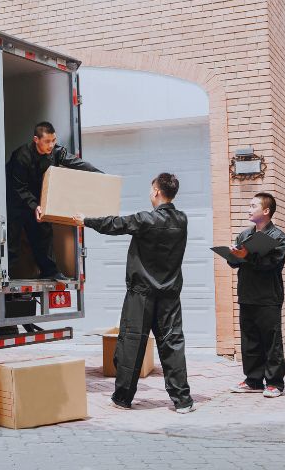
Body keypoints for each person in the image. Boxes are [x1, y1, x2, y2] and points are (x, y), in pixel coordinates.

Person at [73, 173, 195, 413]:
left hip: (142, 294)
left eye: (151, 189)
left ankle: (122, 398)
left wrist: (85, 220)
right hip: (169, 295)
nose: (150, 193)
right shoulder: (182, 220)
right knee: (172, 344)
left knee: (132, 344)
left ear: (157, 191)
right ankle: (183, 401)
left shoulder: (146, 220)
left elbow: (114, 224)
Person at [6, 121, 100, 281]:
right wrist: (34, 206)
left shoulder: (56, 152)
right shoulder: (21, 156)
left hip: (37, 198)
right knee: (12, 238)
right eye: (47, 141)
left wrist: (98, 174)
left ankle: (49, 271)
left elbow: (76, 163)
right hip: (16, 199)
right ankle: (6, 272)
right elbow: (19, 187)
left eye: (54, 140)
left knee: (43, 233)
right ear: (36, 140)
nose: (51, 145)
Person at [227, 192, 285, 398]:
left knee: (271, 342)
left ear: (266, 211)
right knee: (250, 341)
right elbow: (233, 263)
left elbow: (272, 264)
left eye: (253, 205)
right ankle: (253, 381)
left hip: (268, 298)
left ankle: (274, 383)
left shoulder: (279, 237)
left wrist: (247, 256)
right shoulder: (244, 235)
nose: (249, 209)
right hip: (247, 295)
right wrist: (234, 255)